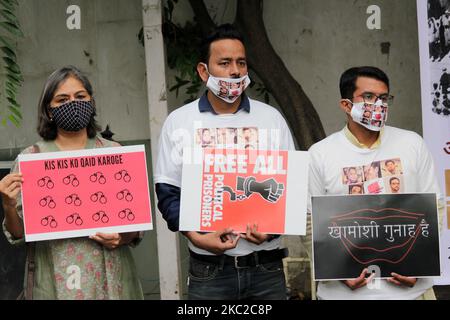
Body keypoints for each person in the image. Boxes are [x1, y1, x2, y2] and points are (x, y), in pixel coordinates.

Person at [154, 24, 295, 300]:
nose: (235, 71)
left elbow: (290, 187)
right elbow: (168, 193)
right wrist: (195, 236)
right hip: (210, 272)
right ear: (203, 71)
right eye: (225, 62)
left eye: (241, 63)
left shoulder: (271, 119)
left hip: (266, 270)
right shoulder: (179, 123)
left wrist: (271, 230)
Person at [0, 66, 144, 300]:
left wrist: (122, 238)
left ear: (91, 102)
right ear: (49, 110)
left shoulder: (113, 152)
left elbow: (134, 223)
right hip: (54, 277)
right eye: (62, 99)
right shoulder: (31, 159)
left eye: (80, 97)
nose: (73, 103)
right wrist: (7, 205)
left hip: (109, 274)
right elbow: (20, 233)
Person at [308, 66, 443, 300]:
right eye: (368, 97)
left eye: (383, 98)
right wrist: (339, 273)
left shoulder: (412, 144)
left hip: (410, 293)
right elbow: (311, 223)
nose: (378, 104)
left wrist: (419, 267)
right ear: (346, 105)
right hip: (343, 295)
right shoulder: (320, 154)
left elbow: (435, 209)